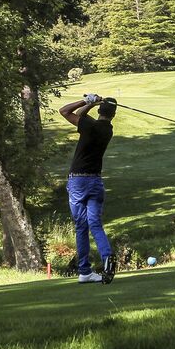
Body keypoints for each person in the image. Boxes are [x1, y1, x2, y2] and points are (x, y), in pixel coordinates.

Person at [58, 94, 118, 284]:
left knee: (81, 227)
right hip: (95, 182)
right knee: (95, 224)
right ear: (113, 115)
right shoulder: (108, 130)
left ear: (100, 110)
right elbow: (81, 116)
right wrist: (93, 104)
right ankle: (105, 258)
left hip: (78, 182)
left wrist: (88, 102)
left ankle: (85, 270)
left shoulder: (89, 126)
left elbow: (65, 111)